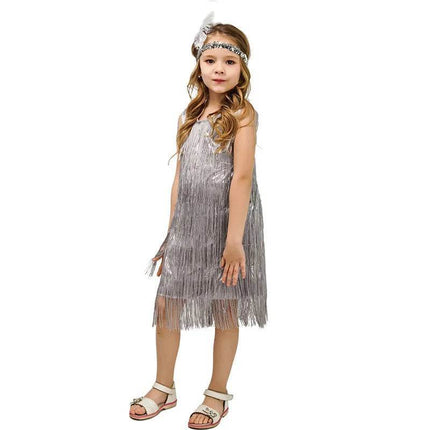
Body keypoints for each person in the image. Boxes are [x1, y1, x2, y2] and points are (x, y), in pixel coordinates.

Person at [129, 12, 268, 429]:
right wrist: (172, 233)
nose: (219, 69)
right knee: (167, 303)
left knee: (225, 307)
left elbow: (241, 177)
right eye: (211, 61)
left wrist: (234, 240)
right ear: (199, 65)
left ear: (242, 68)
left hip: (229, 227)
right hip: (189, 228)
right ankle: (164, 386)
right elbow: (179, 179)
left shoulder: (242, 115)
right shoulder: (189, 116)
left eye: (229, 62)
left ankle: (216, 393)